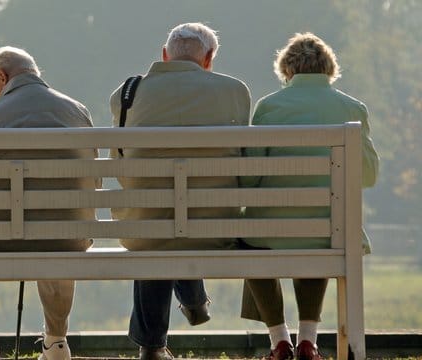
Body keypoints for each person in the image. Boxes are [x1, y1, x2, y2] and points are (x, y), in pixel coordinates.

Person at [0, 46, 98, 360]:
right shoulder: (77, 111)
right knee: (61, 226)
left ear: (1, 77)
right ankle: (56, 343)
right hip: (69, 238)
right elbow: (92, 185)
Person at [109, 23, 251, 359]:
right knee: (182, 212)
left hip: (145, 227)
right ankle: (193, 298)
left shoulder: (126, 93)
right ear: (209, 59)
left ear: (164, 55)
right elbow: (244, 159)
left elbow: (119, 160)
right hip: (215, 228)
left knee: (155, 220)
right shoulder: (235, 91)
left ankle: (153, 346)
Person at [239, 33, 379, 360]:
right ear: (329, 69)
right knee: (322, 230)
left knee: (249, 238)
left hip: (269, 234)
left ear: (287, 70)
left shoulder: (269, 107)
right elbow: (369, 176)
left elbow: (248, 177)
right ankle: (308, 341)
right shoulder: (353, 108)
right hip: (328, 231)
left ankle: (279, 341)